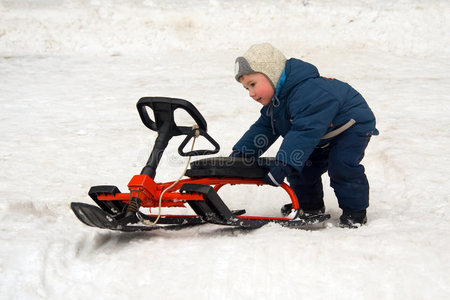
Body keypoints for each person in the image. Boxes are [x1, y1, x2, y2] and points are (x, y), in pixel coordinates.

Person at [231, 43, 378, 228]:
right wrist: (242, 155)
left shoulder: (308, 91)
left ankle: (355, 213)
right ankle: (310, 206)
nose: (251, 93)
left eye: (253, 84)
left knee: (341, 166)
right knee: (302, 167)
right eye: (246, 88)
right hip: (322, 133)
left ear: (272, 74)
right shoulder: (277, 103)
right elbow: (263, 128)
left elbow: (305, 130)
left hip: (349, 127)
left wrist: (284, 163)